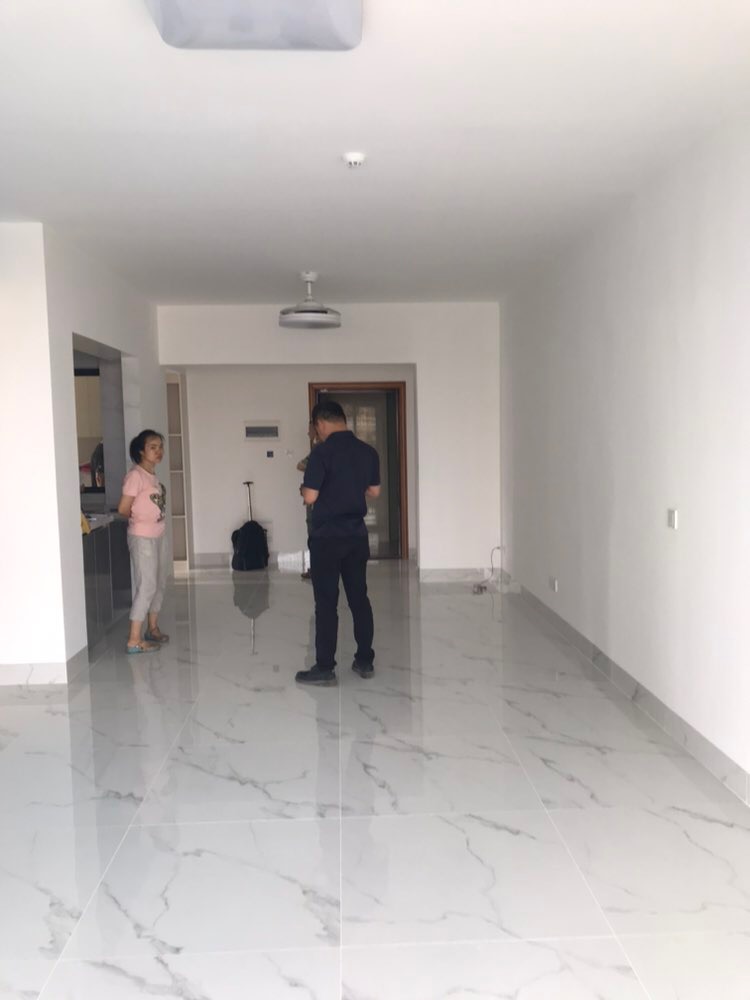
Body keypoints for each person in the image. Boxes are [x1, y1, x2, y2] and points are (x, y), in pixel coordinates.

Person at [296, 400, 380, 685]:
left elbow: (310, 496)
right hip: (356, 536)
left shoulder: (321, 453)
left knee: (326, 602)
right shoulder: (367, 451)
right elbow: (374, 491)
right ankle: (365, 660)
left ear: (320, 423)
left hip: (326, 538)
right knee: (359, 598)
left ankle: (324, 668)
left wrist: (305, 489)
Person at [117, 429, 169, 653]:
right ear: (141, 451)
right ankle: (134, 640)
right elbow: (123, 508)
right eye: (153, 447)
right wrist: (141, 520)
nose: (159, 451)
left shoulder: (152, 477)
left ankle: (152, 628)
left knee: (159, 583)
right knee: (147, 585)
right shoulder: (135, 476)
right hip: (142, 537)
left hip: (158, 534)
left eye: (160, 447)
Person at [296, 421, 317, 580]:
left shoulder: (318, 450)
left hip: (315, 501)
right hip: (314, 497)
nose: (308, 433)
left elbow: (300, 465)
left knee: (314, 535)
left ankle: (316, 568)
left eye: (310, 429)